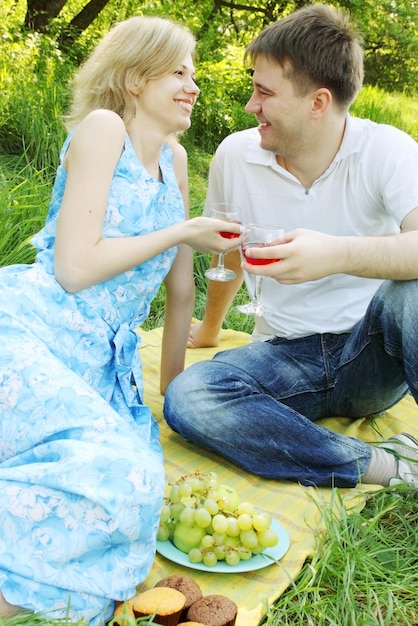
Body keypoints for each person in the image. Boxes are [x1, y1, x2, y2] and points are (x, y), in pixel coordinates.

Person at [0, 15, 241, 623]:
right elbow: (75, 268)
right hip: (36, 326)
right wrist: (183, 229)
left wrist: (171, 395)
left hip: (103, 362)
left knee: (133, 482)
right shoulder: (104, 129)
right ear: (136, 79)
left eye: (194, 75)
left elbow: (181, 288)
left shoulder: (179, 161)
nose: (194, 86)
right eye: (179, 73)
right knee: (113, 477)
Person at [163, 4, 418, 491]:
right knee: (190, 395)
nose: (249, 106)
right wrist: (212, 325)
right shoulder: (236, 155)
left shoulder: (389, 150)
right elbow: (229, 252)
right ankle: (388, 467)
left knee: (414, 293)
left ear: (318, 102)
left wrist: (335, 255)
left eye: (264, 92)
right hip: (282, 357)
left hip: (370, 352)